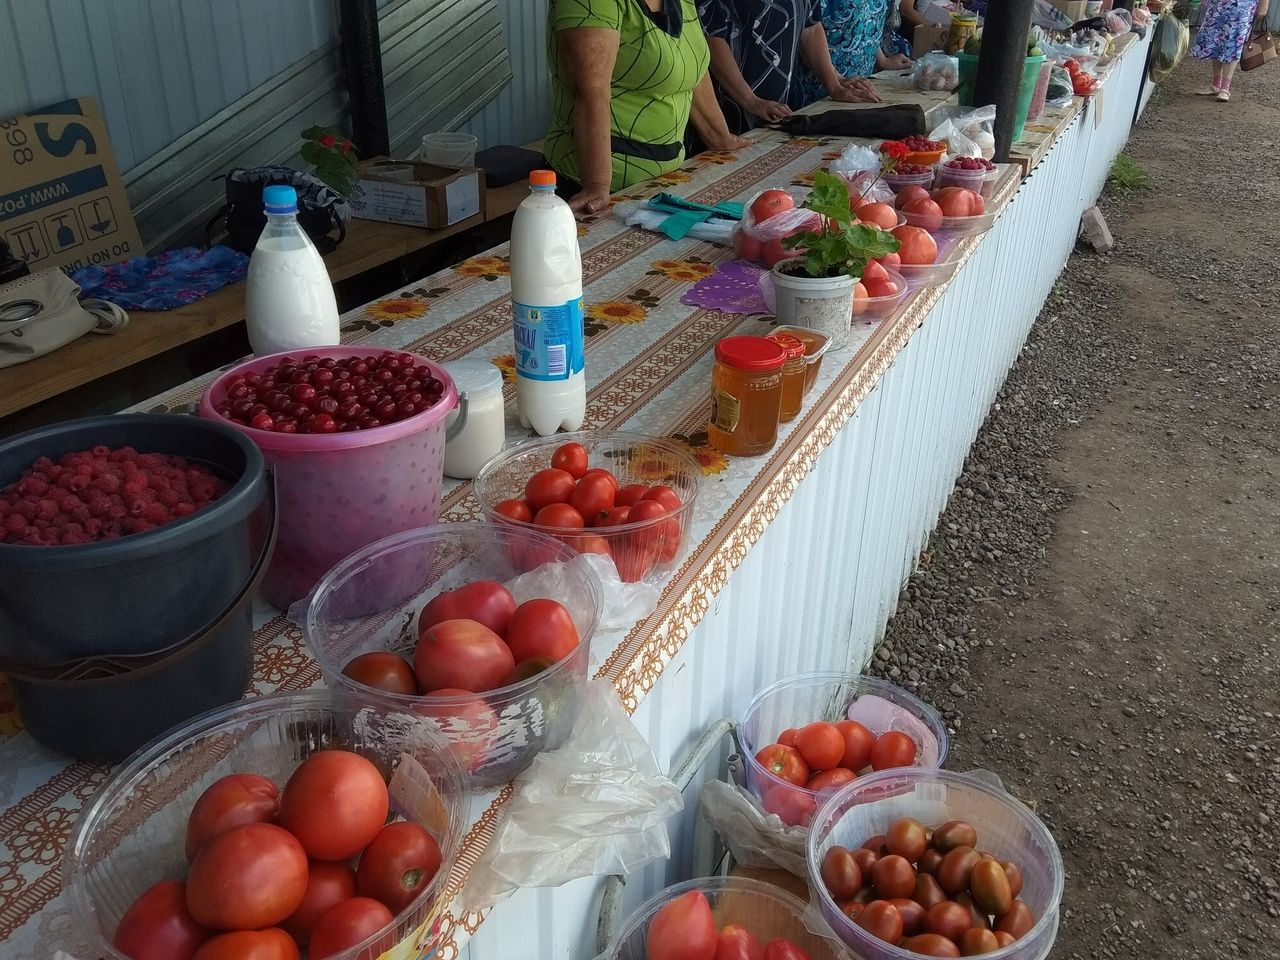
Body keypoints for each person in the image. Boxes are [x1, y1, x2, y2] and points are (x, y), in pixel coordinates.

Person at [545, 0, 749, 214]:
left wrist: (721, 138)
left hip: (664, 181)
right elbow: (591, 89)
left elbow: (692, 69)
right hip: (600, 187)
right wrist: (597, 184)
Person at [697, 0, 882, 135]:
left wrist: (835, 84)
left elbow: (810, 27)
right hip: (727, 111)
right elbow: (712, 39)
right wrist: (751, 100)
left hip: (782, 107)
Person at [795, 0, 914, 106]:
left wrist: (882, 60)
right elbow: (809, 30)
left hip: (864, 86)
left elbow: (867, 20)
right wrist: (834, 83)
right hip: (821, 94)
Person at [1190, 0, 1270, 100]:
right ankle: (1215, 85)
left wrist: (1264, 4)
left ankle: (1225, 88)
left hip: (1242, 5)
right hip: (1218, 4)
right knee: (1216, 42)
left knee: (1234, 43)